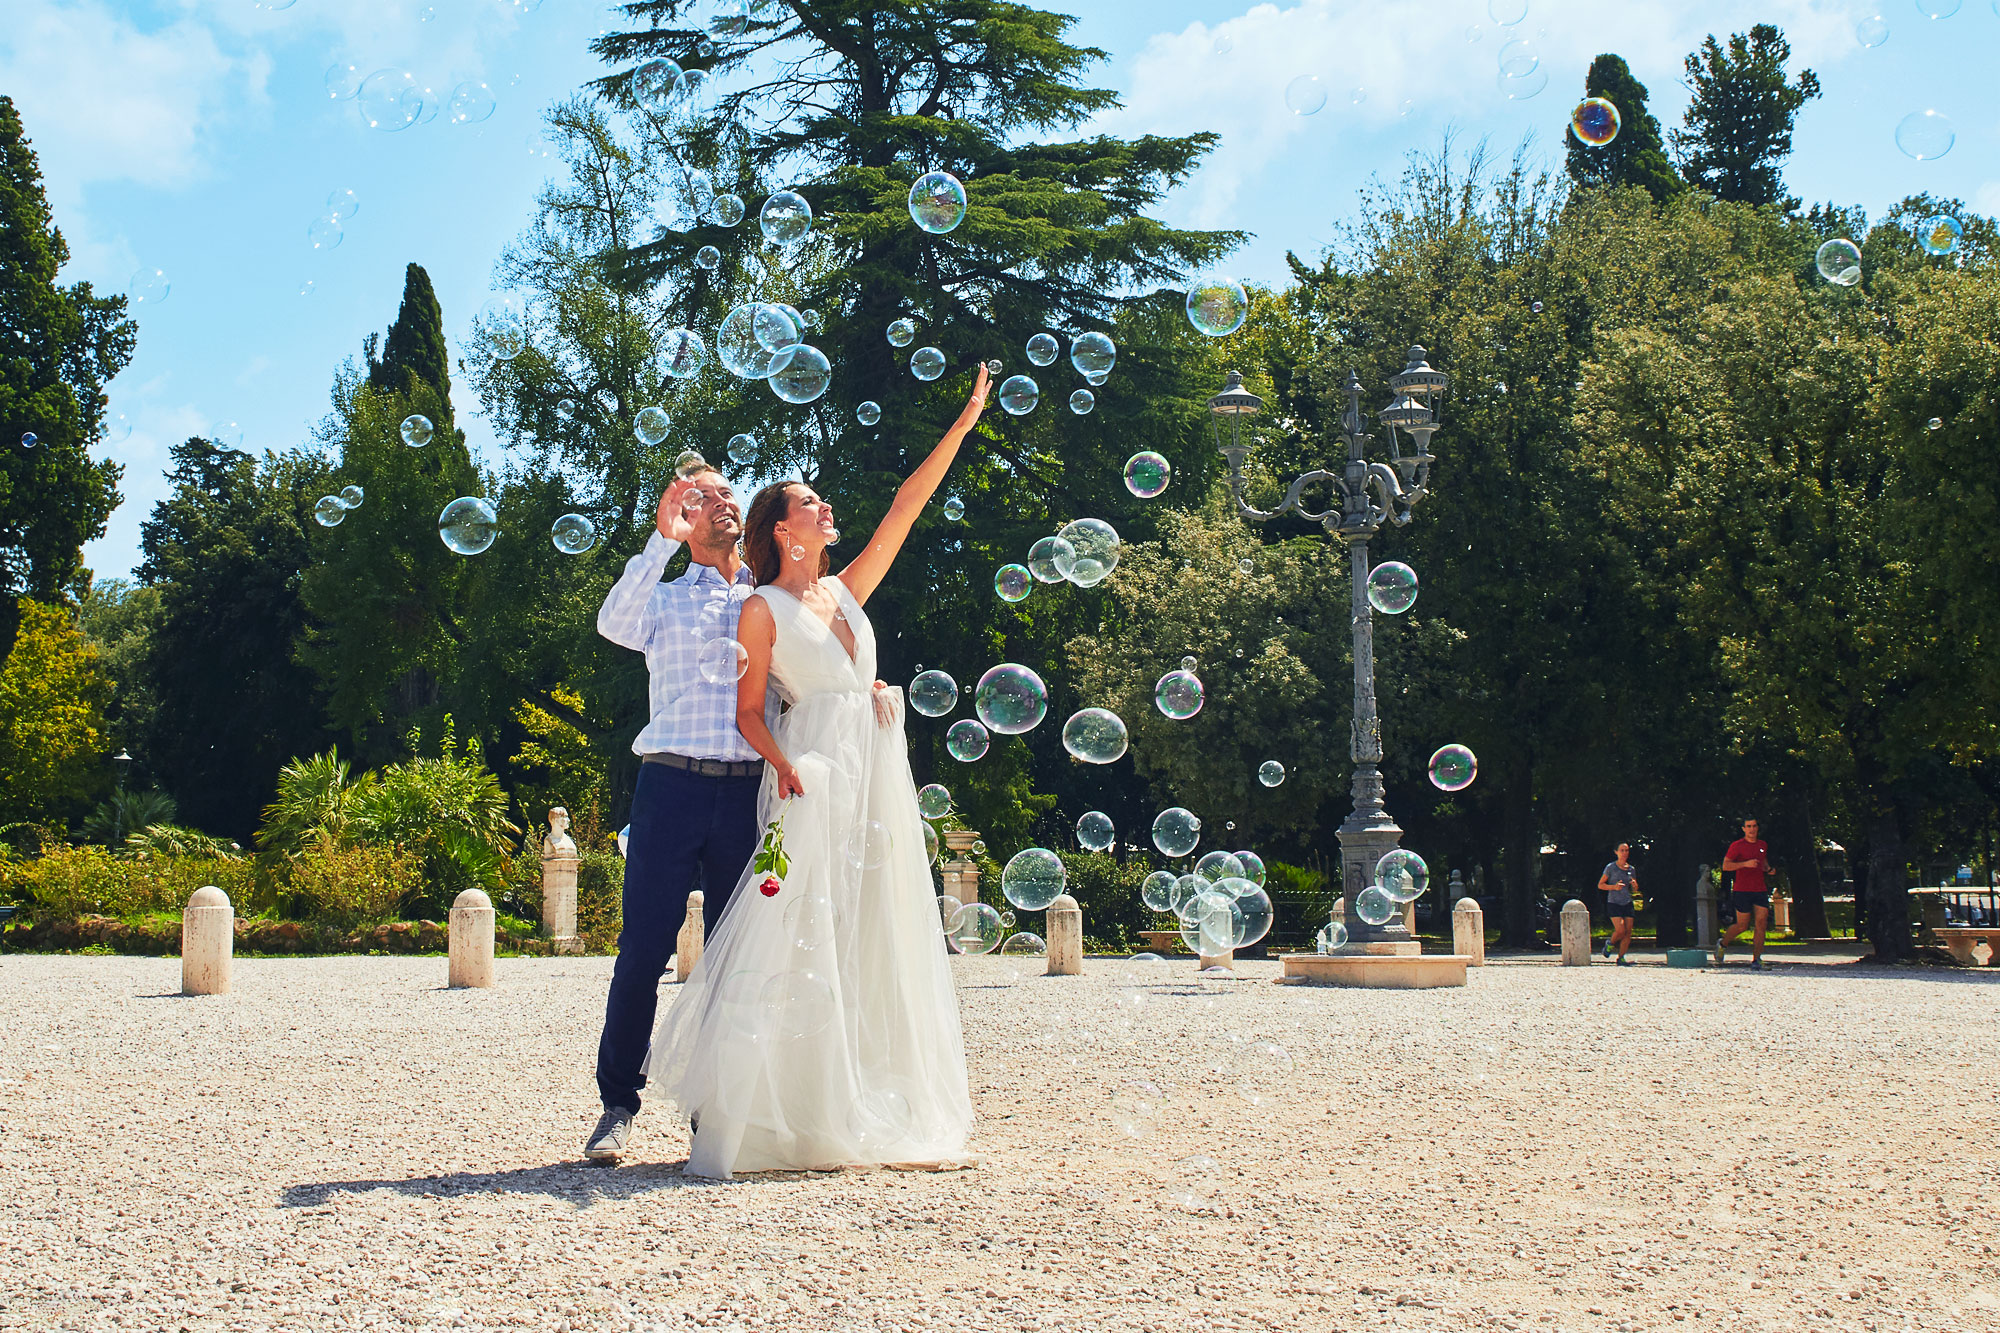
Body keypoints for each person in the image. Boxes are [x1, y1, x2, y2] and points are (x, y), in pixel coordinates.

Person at [646, 365, 992, 1179]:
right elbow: (748, 712)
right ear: (781, 528)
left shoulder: (846, 590)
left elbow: (907, 505)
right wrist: (786, 766)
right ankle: (770, 1116)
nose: (827, 508)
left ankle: (855, 1099)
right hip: (809, 782)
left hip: (870, 781)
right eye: (811, 503)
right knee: (791, 933)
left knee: (865, 935)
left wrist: (967, 419)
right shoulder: (761, 609)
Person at [584, 468, 770, 1162]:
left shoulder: (769, 599)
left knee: (733, 961)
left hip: (749, 795)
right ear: (684, 517)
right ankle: (616, 1106)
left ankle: (712, 1110)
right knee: (642, 953)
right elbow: (612, 623)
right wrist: (659, 543)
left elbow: (811, 670)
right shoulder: (663, 600)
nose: (718, 502)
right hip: (670, 786)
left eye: (726, 492)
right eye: (700, 497)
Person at [1716, 817, 1771, 970]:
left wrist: (1768, 868)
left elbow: (1763, 862)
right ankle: (1722, 944)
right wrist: (1745, 864)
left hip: (1760, 890)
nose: (1752, 829)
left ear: (1757, 828)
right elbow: (1726, 866)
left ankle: (1756, 959)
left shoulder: (1762, 845)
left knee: (1761, 923)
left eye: (1754, 826)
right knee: (1742, 926)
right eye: (1748, 826)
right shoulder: (1737, 846)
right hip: (1742, 890)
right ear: (1743, 829)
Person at [1598, 843, 1638, 966]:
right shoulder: (1611, 867)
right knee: (1620, 930)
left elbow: (1635, 890)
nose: (1625, 853)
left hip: (1627, 902)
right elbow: (1600, 885)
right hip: (1614, 902)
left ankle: (1621, 958)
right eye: (1622, 850)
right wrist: (1614, 887)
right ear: (1616, 852)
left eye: (1626, 850)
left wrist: (1635, 886)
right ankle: (1609, 944)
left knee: (1628, 931)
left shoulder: (1631, 869)